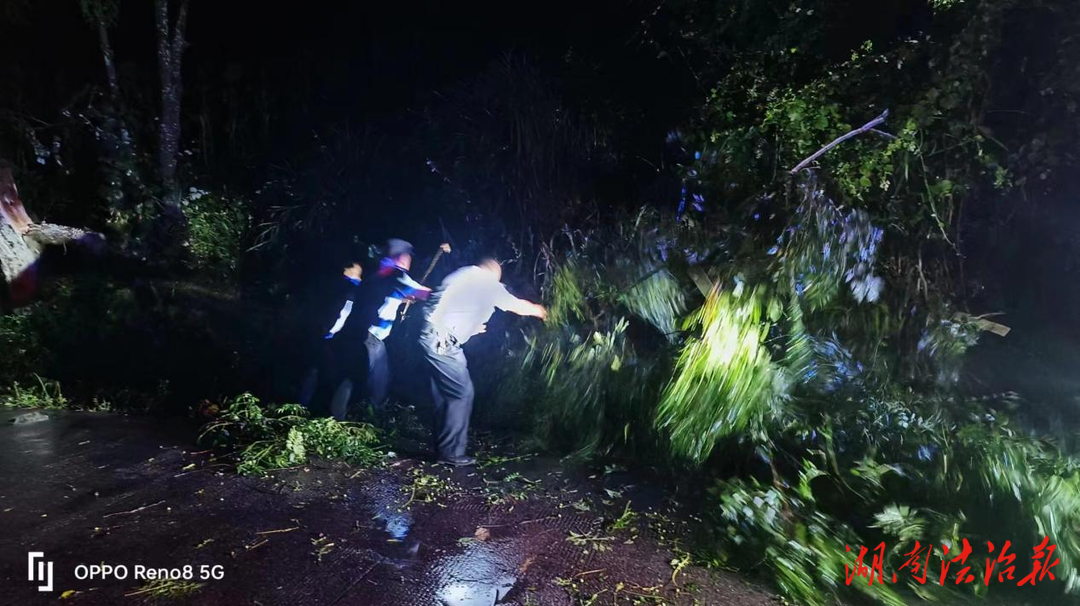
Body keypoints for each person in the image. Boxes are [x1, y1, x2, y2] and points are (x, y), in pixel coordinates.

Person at [420, 258, 547, 466]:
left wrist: (469, 328)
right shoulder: (485, 282)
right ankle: (451, 454)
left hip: (433, 336)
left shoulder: (464, 275)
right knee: (461, 392)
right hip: (440, 340)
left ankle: (444, 447)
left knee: (445, 393)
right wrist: (541, 311)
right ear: (493, 272)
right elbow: (518, 306)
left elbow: (451, 305)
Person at [328, 239, 432, 418]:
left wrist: (404, 297)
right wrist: (439, 293)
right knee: (367, 379)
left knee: (357, 375)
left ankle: (344, 414)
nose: (409, 260)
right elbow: (424, 293)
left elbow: (388, 293)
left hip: (359, 332)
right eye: (407, 256)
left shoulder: (378, 271)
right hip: (370, 337)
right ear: (400, 257)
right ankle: (345, 417)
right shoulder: (396, 275)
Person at [297, 257, 363, 410]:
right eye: (358, 272)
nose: (359, 276)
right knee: (319, 374)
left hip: (326, 336)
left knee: (316, 373)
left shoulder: (339, 287)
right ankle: (306, 407)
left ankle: (304, 406)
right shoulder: (348, 289)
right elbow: (337, 314)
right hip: (328, 337)